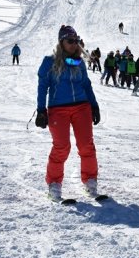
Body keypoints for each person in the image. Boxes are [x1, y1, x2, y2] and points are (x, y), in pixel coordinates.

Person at [35, 25, 101, 201]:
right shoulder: (49, 62)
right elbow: (43, 87)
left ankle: (90, 182)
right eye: (70, 41)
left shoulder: (78, 62)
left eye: (76, 41)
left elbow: (86, 84)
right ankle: (54, 185)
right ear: (61, 42)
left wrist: (94, 105)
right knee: (62, 146)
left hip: (82, 107)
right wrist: (41, 110)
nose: (74, 44)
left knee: (86, 145)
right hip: (58, 109)